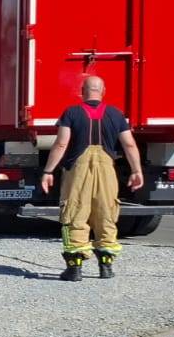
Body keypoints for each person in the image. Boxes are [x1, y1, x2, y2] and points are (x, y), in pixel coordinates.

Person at [39, 75, 144, 281]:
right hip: (107, 170)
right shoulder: (116, 114)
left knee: (75, 213)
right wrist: (136, 170)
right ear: (103, 91)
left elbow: (61, 144)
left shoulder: (71, 113)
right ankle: (106, 265)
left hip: (78, 171)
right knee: (106, 213)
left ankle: (74, 268)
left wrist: (48, 171)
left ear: (82, 92)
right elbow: (129, 144)